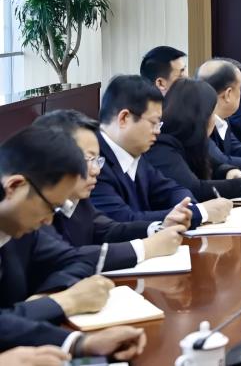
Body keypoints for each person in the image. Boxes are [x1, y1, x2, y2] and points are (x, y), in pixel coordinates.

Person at [0, 125, 147, 360]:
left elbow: (75, 259)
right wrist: (65, 301)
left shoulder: (21, 227)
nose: (49, 220)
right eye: (50, 207)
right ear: (14, 186)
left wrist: (80, 343)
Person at [35, 110, 186, 272]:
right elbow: (69, 257)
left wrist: (158, 228)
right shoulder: (34, 210)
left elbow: (108, 230)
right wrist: (146, 248)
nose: (96, 171)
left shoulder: (79, 200)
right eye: (88, 159)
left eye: (97, 160)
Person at [91, 75, 231, 227]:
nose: (158, 131)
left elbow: (171, 190)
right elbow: (122, 220)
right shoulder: (92, 161)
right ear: (124, 118)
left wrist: (189, 207)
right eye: (153, 123)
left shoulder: (135, 154)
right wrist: (199, 212)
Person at [147, 79, 241, 201]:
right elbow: (195, 189)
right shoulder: (161, 145)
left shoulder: (190, 138)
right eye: (212, 113)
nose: (214, 119)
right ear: (201, 118)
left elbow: (214, 165)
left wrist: (230, 172)